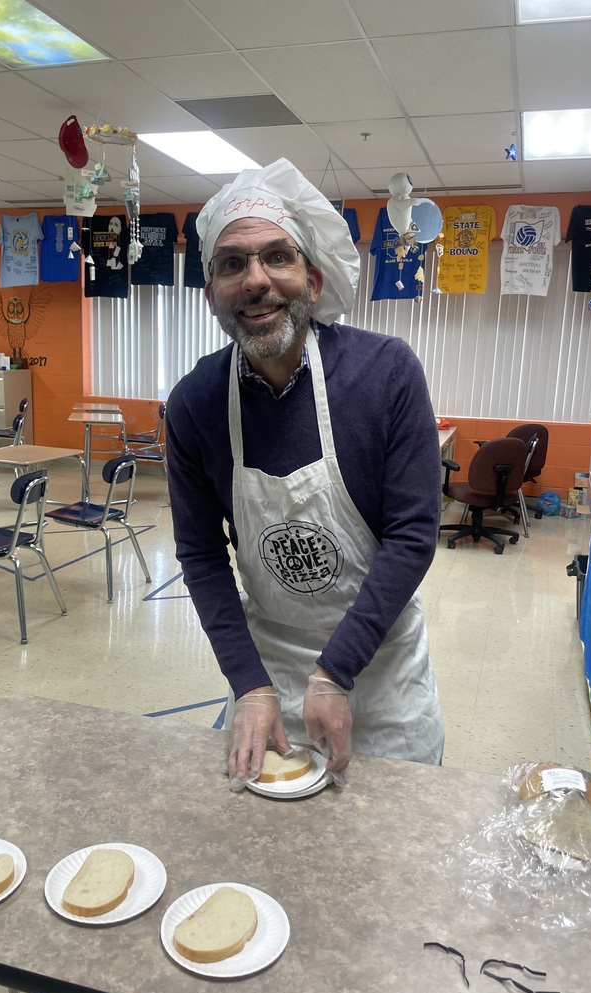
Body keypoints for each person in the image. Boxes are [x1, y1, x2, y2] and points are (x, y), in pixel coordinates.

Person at [166, 158, 444, 789]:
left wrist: (335, 672)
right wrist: (249, 688)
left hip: (381, 671)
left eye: (276, 258)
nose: (255, 280)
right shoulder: (194, 403)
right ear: (211, 292)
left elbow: (412, 535)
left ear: (313, 280)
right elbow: (203, 555)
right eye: (232, 264)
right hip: (271, 669)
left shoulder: (385, 374)